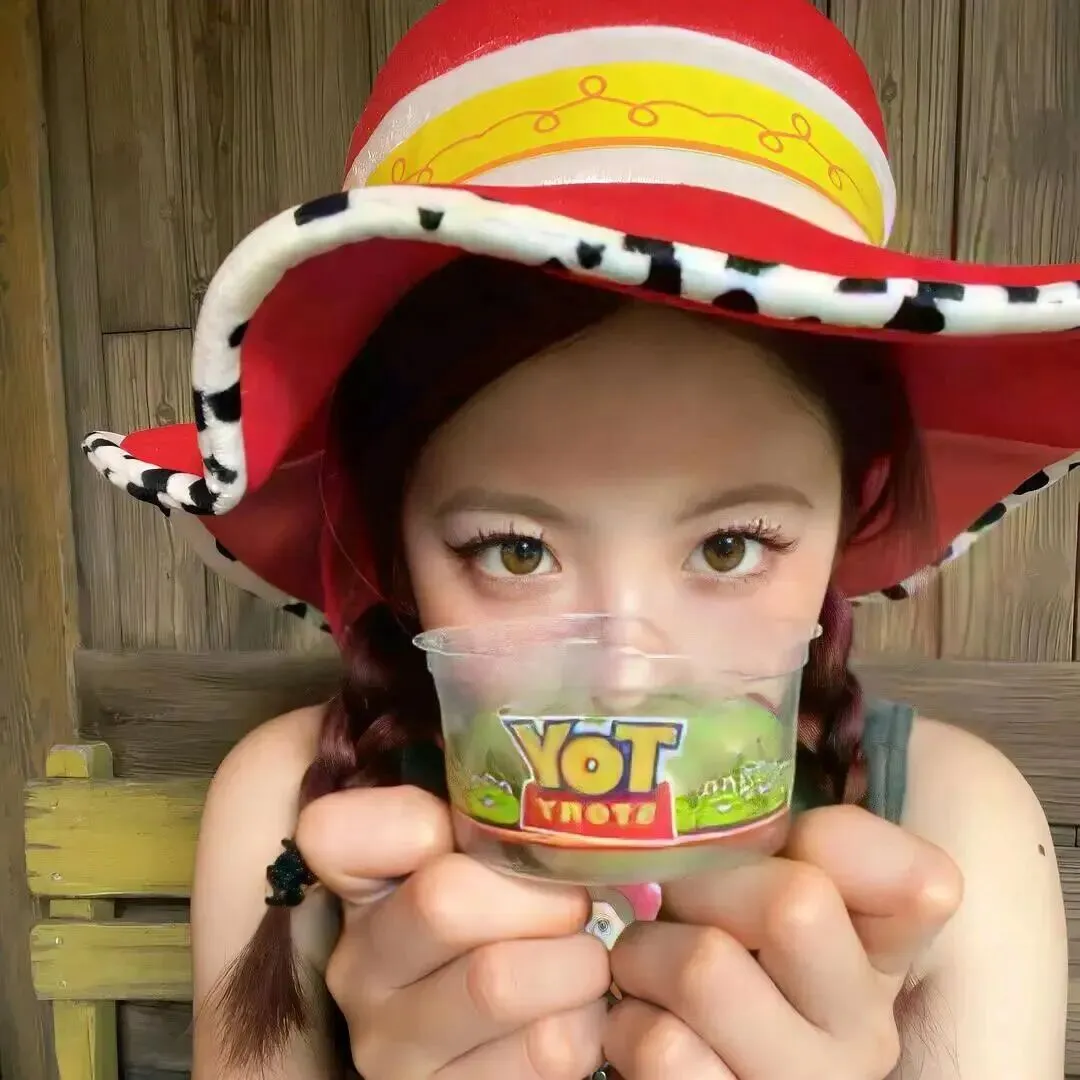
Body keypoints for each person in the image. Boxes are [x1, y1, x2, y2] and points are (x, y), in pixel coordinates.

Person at [81, 1, 1078, 1077]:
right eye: (515, 551)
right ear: (394, 543)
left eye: (730, 547)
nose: (624, 677)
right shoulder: (288, 808)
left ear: (847, 518)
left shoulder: (956, 831)